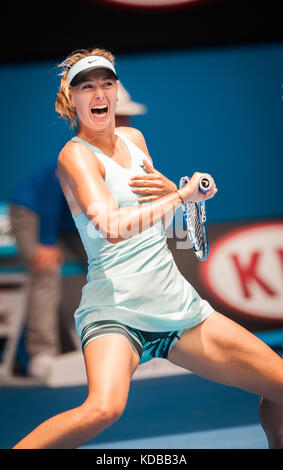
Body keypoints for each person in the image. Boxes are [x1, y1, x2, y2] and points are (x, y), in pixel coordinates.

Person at [13, 47, 283, 449]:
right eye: (87, 86)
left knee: (279, 385)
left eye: (106, 83)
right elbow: (110, 226)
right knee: (103, 409)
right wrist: (179, 197)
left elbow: (162, 210)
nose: (98, 92)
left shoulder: (135, 138)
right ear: (73, 100)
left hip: (178, 309)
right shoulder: (74, 155)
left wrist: (186, 192)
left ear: (117, 91)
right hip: (115, 312)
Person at [9, 81, 147, 378]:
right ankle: (40, 354)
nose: (127, 122)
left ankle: (130, 339)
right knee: (45, 270)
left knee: (115, 262)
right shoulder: (80, 149)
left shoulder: (125, 149)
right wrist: (46, 242)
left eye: (127, 117)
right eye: (121, 115)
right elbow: (53, 196)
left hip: (68, 220)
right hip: (33, 211)